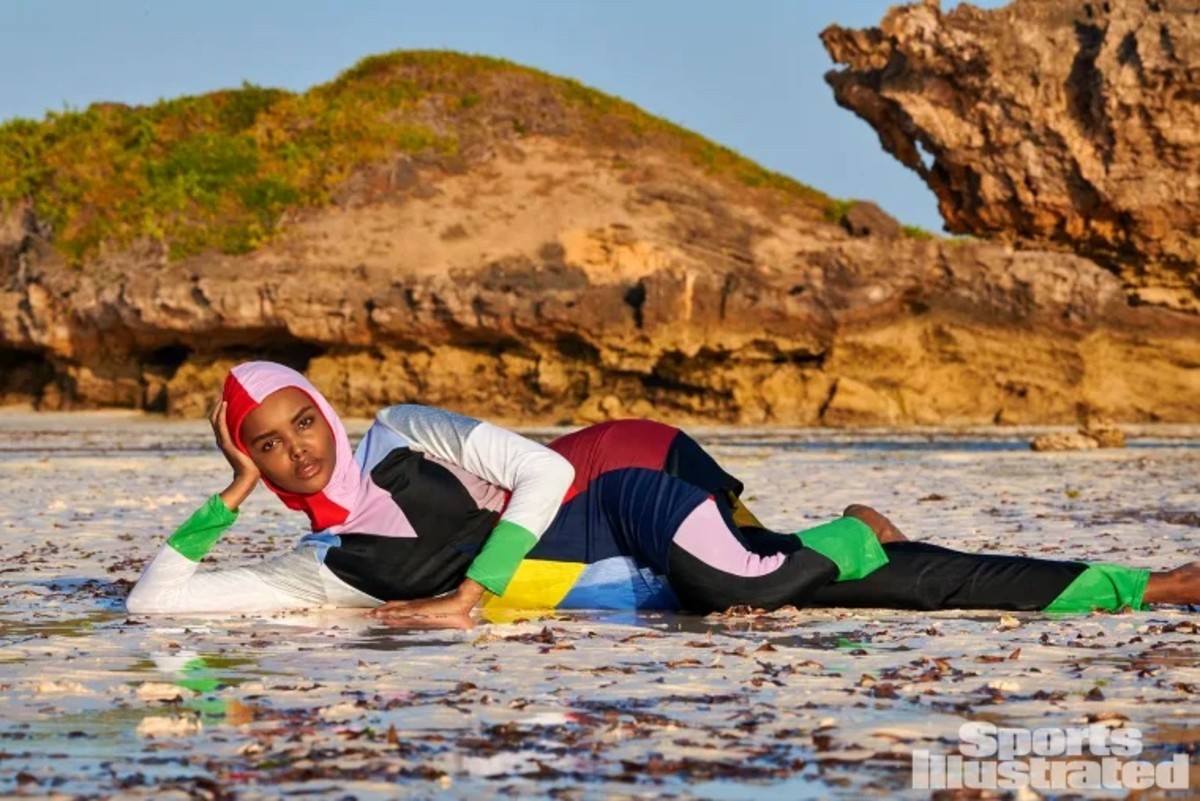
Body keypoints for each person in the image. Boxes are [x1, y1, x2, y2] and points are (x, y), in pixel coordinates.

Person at [125, 361, 1200, 619]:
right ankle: (1149, 587)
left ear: (324, 404)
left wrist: (475, 593)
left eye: (300, 419)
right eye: (265, 446)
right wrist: (221, 496)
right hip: (629, 582)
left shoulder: (407, 431)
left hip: (631, 493)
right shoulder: (321, 570)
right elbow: (154, 605)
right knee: (843, 592)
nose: (298, 449)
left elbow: (546, 470)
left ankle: (851, 525)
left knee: (755, 589)